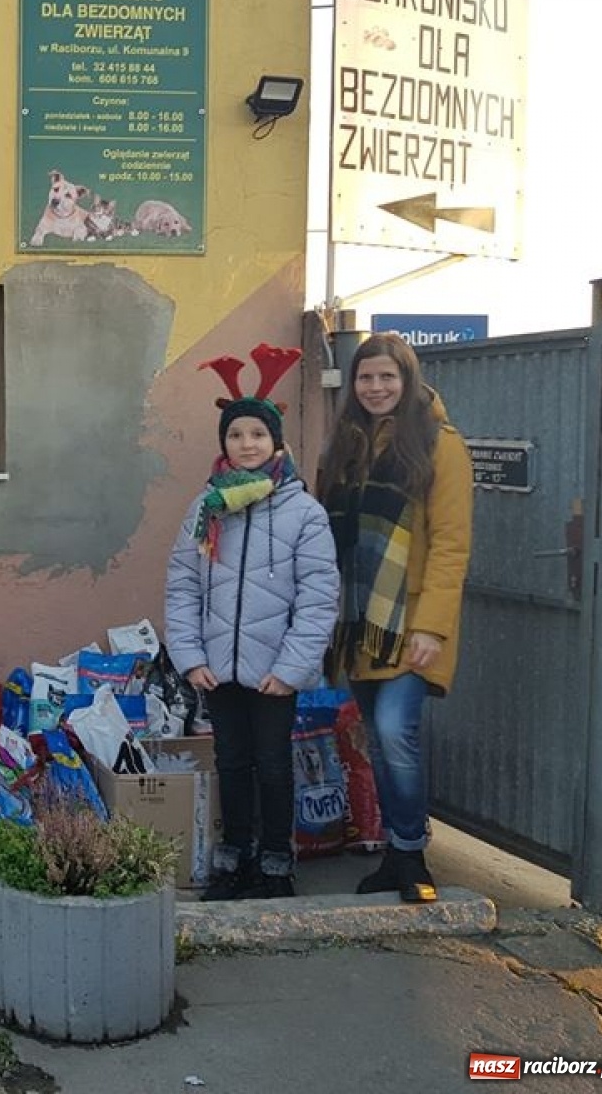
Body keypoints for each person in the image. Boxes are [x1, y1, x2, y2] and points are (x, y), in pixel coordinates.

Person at [165, 344, 339, 901]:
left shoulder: (303, 513)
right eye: (236, 436)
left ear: (276, 444)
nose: (246, 445)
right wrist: (190, 657)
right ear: (225, 444)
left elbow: (317, 598)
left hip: (274, 672)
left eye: (257, 436)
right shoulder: (206, 508)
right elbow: (183, 583)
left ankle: (275, 861)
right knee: (231, 763)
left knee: (273, 765)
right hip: (218, 669)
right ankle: (234, 854)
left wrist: (291, 668)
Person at [319, 332, 473, 904]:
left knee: (395, 733)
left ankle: (412, 854)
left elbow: (452, 545)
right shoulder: (347, 445)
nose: (376, 387)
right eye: (366, 377)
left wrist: (432, 626)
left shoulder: (439, 444)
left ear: (407, 380)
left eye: (388, 377)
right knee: (379, 745)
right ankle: (394, 854)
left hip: (409, 623)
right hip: (360, 624)